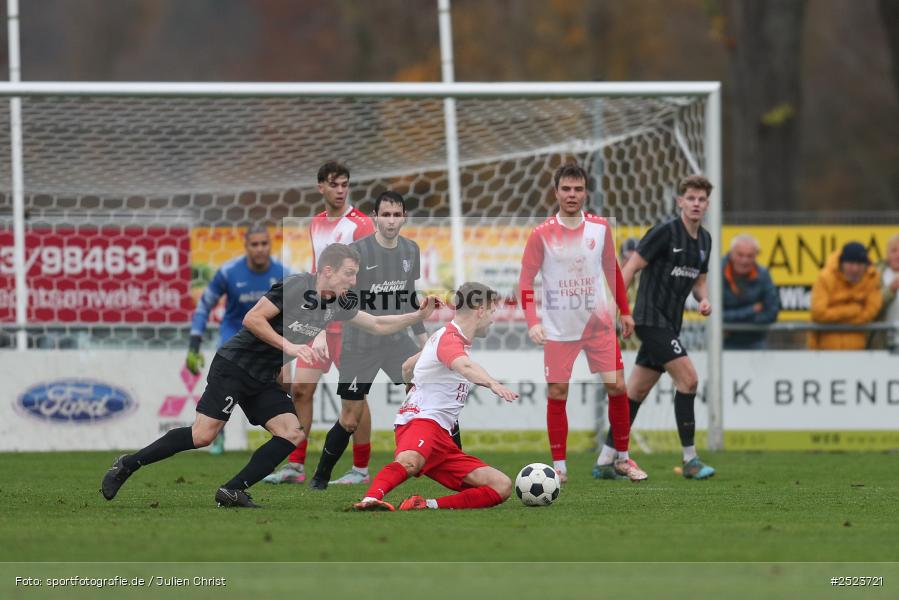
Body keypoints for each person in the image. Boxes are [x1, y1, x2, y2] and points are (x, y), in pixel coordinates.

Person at [100, 243, 436, 508]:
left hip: (262, 377)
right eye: (349, 273)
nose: (353, 280)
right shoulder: (295, 286)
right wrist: (291, 347)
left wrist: (416, 316)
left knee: (292, 433)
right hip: (234, 365)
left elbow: (376, 323)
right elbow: (252, 319)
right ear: (328, 270)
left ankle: (232, 490)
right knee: (203, 436)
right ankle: (128, 464)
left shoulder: (338, 302)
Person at [518, 163, 644, 484]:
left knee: (617, 387)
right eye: (566, 189)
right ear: (556, 191)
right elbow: (525, 281)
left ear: (586, 191)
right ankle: (559, 468)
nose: (572, 195)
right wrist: (533, 321)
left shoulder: (600, 228)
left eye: (578, 189)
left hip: (598, 325)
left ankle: (623, 458)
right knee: (558, 393)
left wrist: (625, 311)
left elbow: (612, 271)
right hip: (560, 330)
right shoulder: (541, 234)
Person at [353, 282, 519, 512]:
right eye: (491, 312)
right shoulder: (450, 339)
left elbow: (407, 366)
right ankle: (370, 500)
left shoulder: (443, 337)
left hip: (441, 437)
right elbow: (464, 366)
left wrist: (411, 391)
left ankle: (425, 505)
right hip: (425, 423)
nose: (492, 319)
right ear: (479, 309)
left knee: (501, 486)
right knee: (410, 462)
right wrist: (492, 383)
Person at [304, 191, 429, 490]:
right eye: (385, 214)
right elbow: (329, 291)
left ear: (404, 217)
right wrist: (319, 332)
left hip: (397, 341)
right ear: (374, 217)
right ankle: (320, 477)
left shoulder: (411, 250)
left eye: (396, 214)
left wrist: (423, 340)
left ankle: (453, 460)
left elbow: (410, 296)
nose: (391, 220)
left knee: (427, 389)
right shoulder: (357, 252)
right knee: (350, 417)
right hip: (359, 344)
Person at [264, 161, 376, 485]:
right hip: (319, 319)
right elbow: (318, 272)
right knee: (300, 389)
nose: (340, 190)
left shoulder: (361, 224)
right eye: (334, 185)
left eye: (345, 184)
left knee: (353, 397)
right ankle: (295, 466)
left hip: (348, 323)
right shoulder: (315, 223)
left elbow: (365, 278)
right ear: (321, 187)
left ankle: (360, 469)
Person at [606, 174, 716, 480]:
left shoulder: (705, 240)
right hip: (649, 320)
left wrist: (703, 300)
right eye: (690, 198)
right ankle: (690, 459)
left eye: (701, 199)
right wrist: (619, 309)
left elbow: (700, 281)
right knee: (690, 380)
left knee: (636, 392)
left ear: (707, 204)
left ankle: (605, 459)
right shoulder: (664, 233)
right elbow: (630, 268)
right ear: (680, 201)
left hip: (671, 324)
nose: (696, 203)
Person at [185, 225, 290, 455]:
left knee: (288, 381)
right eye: (255, 244)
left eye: (264, 244)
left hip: (269, 343)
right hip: (234, 339)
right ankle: (217, 433)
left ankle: (284, 431)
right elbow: (204, 306)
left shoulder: (284, 273)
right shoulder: (229, 272)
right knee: (227, 386)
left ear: (270, 245)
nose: (260, 249)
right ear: (246, 247)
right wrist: (194, 344)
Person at [809, 241, 882, 350]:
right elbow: (819, 313)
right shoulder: (825, 277)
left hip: (858, 351)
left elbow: (869, 314)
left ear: (866, 265)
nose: (855, 269)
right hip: (823, 351)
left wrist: (834, 318)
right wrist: (852, 310)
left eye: (860, 264)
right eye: (851, 264)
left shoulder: (872, 279)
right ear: (841, 263)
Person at [722, 233, 779, 349]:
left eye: (750, 256)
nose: (745, 260)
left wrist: (732, 323)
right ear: (731, 254)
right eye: (740, 255)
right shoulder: (716, 273)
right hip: (722, 342)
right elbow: (715, 316)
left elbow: (772, 313)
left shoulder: (763, 275)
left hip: (755, 342)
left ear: (756, 256)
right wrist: (752, 310)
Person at [877, 234, 899, 351]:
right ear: (887, 254)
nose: (898, 255)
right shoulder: (876, 275)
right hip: (884, 342)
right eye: (894, 251)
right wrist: (890, 290)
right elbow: (872, 306)